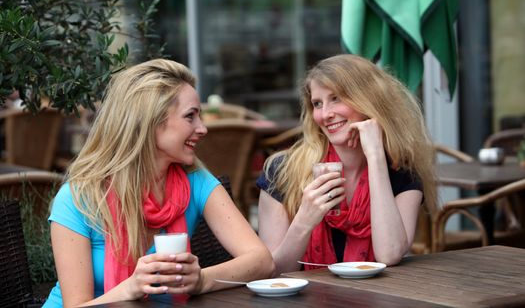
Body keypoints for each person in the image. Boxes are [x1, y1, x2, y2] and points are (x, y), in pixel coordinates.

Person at [44, 59, 275, 307]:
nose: (203, 129)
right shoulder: (79, 198)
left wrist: (201, 280)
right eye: (191, 117)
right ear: (150, 122)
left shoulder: (195, 181)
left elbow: (262, 261)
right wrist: (130, 287)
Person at [256, 54, 436, 275]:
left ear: (368, 101)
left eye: (336, 98)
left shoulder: (400, 170)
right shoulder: (282, 171)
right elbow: (273, 272)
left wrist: (376, 155)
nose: (325, 114)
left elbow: (389, 254)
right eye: (317, 104)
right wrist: (305, 219)